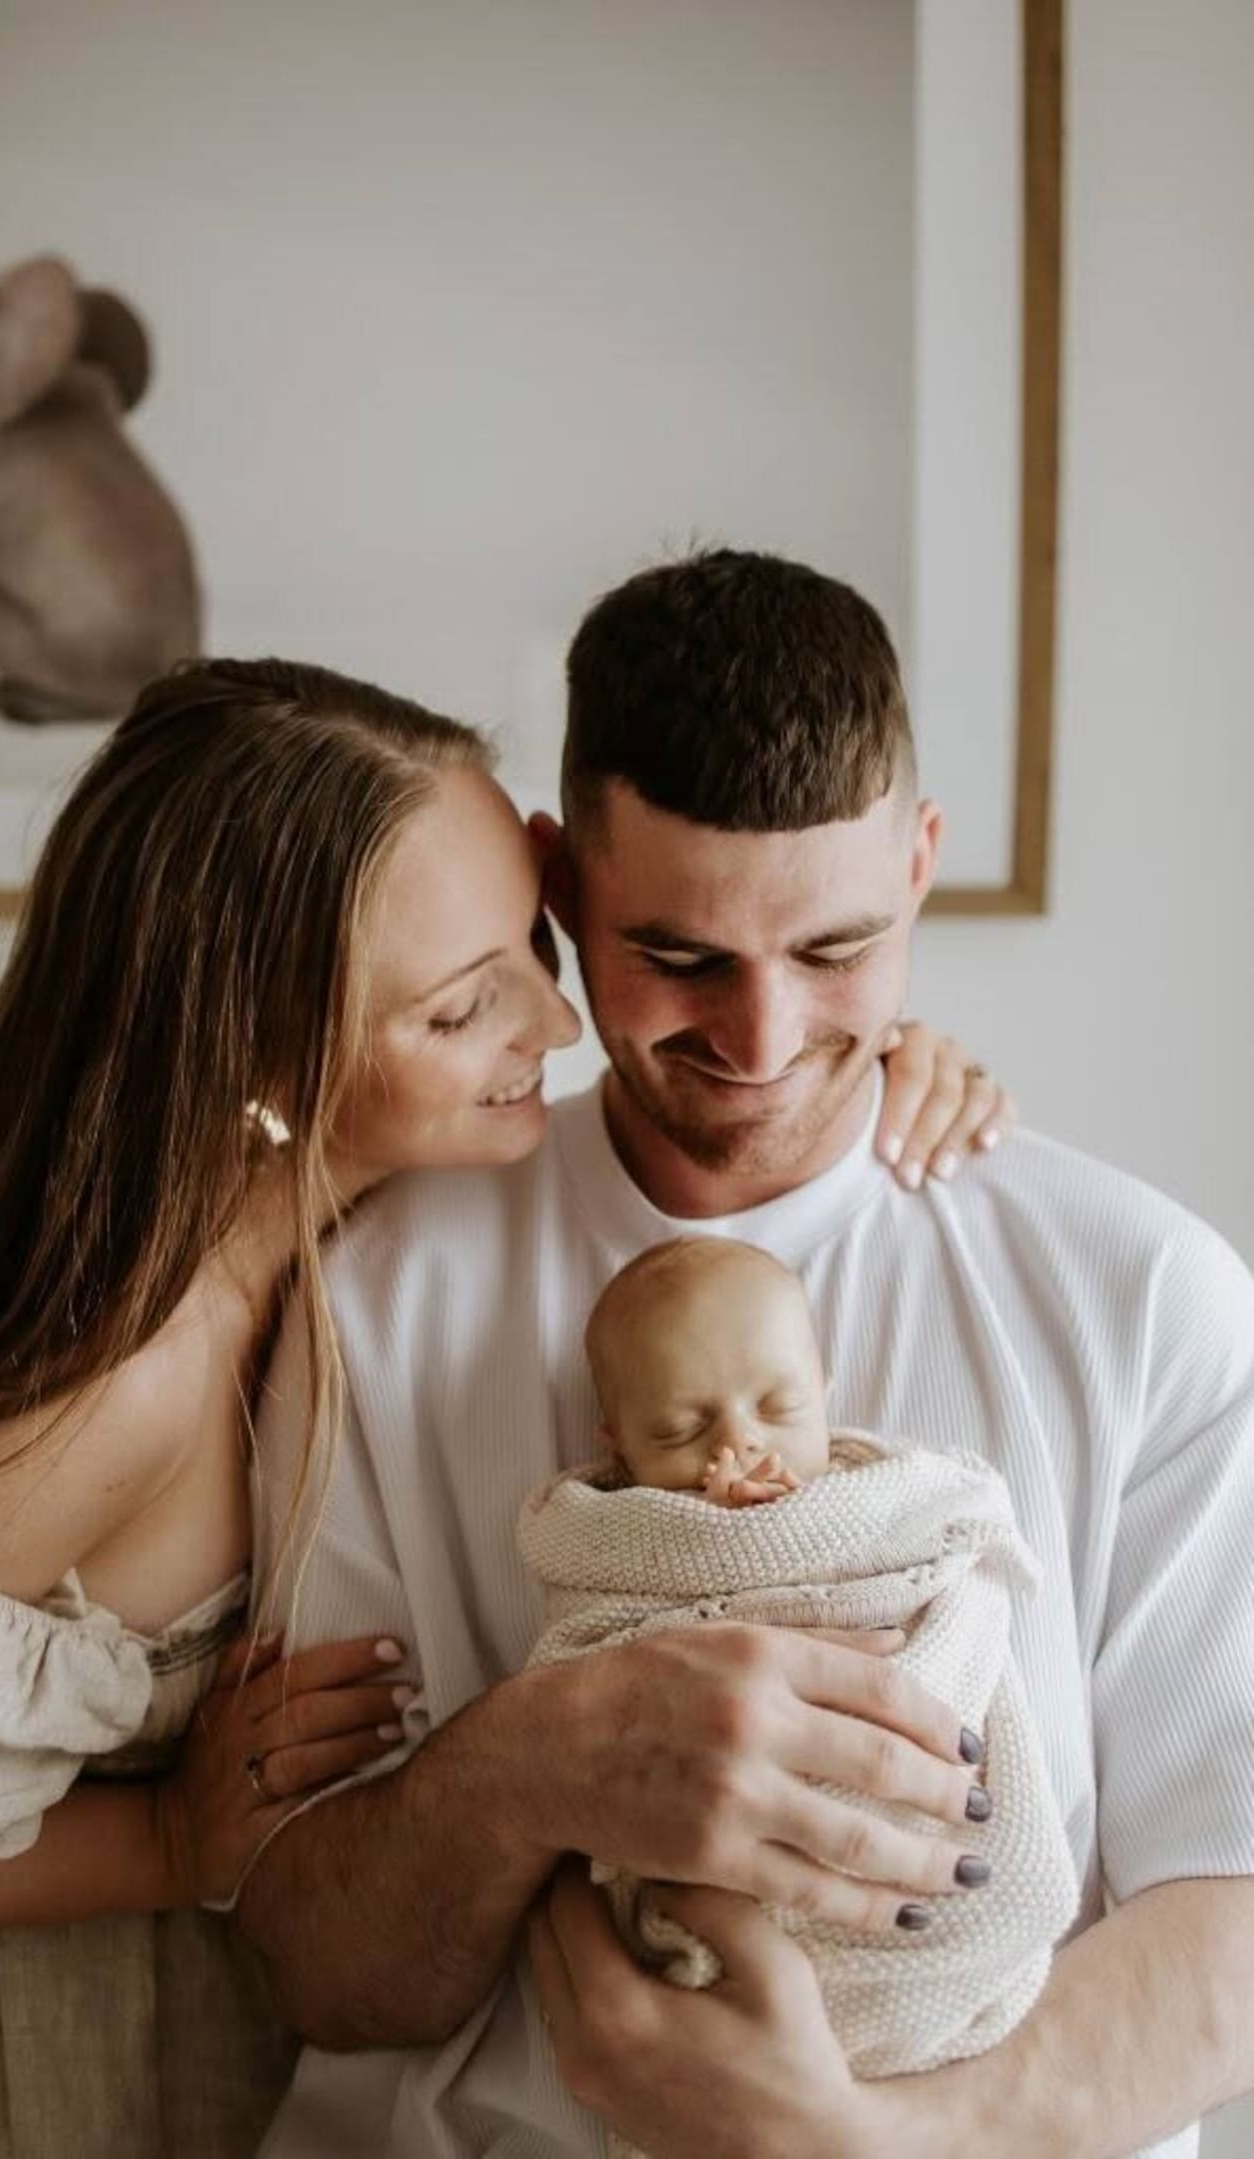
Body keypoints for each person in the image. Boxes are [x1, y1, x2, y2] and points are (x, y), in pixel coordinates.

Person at [0, 651, 1000, 2159]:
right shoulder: (110, 1380)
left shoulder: (328, 1222)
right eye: (460, 1011)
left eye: (529, 945)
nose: (554, 1028)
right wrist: (167, 1838)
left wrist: (861, 1060)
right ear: (266, 1064)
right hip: (1, 2076)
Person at [240, 550, 1254, 2159]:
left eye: (836, 950)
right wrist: (534, 1767)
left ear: (922, 865)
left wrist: (852, 2137)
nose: (764, 1040)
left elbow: (1234, 1906)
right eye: (686, 957)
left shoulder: (1146, 1294)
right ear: (561, 891)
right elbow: (310, 1955)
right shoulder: (372, 1293)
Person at [517, 1233, 1076, 2130]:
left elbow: (962, 1577)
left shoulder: (888, 1501)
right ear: (617, 1443)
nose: (737, 1443)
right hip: (724, 1891)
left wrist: (921, 1668)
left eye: (777, 1405)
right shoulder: (613, 1541)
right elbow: (580, 1670)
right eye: (679, 1429)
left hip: (911, 1811)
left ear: (822, 1386)